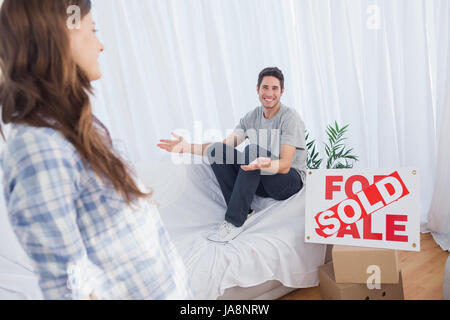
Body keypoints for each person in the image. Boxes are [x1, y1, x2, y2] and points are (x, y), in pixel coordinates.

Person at [0, 0, 192, 300]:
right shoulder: (37, 146)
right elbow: (69, 286)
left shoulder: (77, 129)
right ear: (59, 38)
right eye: (93, 30)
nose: (100, 45)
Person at [158, 67, 307, 243]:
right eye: (265, 87)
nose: (269, 93)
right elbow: (224, 146)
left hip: (288, 180)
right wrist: (187, 147)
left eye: (275, 88)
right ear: (257, 89)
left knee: (252, 150)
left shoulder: (290, 117)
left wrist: (263, 164)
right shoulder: (251, 117)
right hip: (261, 174)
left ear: (282, 92)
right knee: (216, 150)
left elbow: (285, 165)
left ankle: (234, 221)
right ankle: (246, 211)